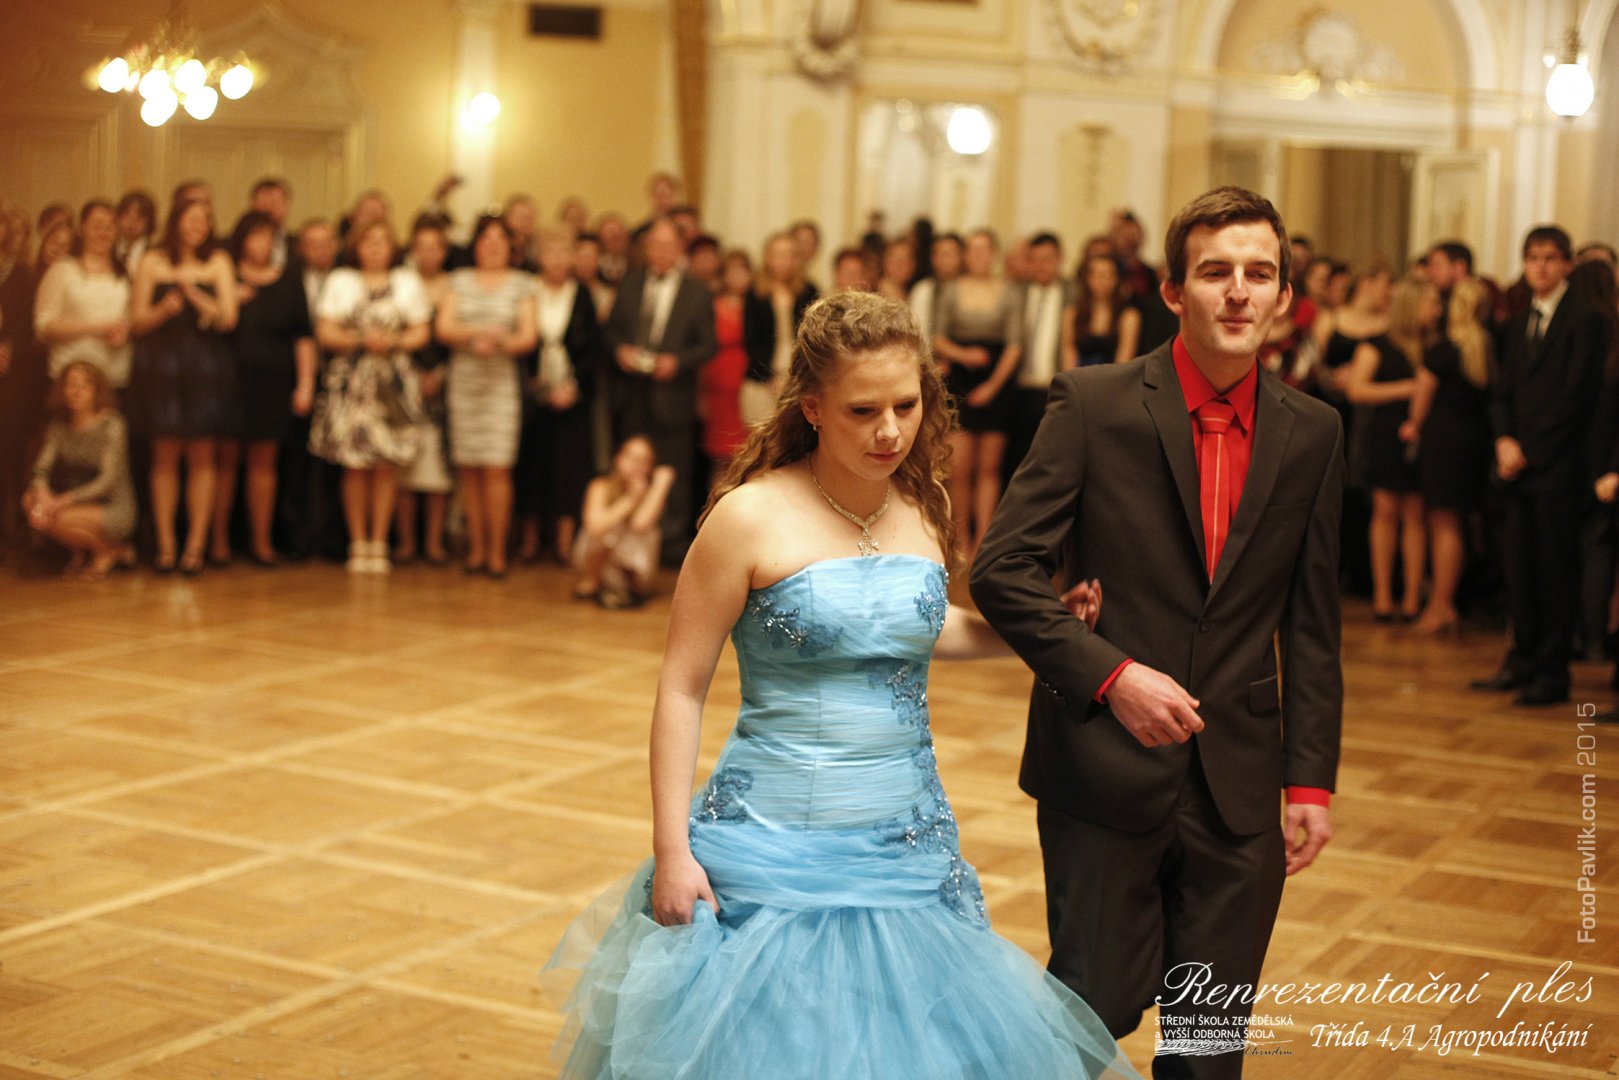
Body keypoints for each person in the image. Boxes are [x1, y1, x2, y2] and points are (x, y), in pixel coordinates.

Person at [545, 290, 1136, 1079]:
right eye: (863, 411)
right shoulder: (746, 518)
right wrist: (671, 849)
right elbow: (682, 687)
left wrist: (1042, 633)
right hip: (770, 845)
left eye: (905, 406)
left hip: (904, 838)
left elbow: (914, 631)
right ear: (814, 408)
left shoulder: (921, 508)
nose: (890, 431)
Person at [972, 186, 1344, 1080]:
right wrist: (1111, 676)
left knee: (1207, 1047)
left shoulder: (1313, 431)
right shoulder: (1093, 403)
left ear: (1284, 295)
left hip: (1238, 785)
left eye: (1259, 273)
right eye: (1215, 272)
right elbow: (1001, 568)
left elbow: (1312, 624)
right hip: (1102, 767)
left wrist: (1308, 781)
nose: (1238, 292)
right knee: (1088, 1012)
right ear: (1173, 291)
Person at [1474, 225, 1612, 706]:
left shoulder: (1584, 319)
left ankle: (1552, 672)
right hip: (1517, 465)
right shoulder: (1519, 321)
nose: (1541, 267)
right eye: (1533, 258)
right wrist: (1503, 440)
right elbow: (1503, 391)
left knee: (1553, 571)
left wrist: (1527, 449)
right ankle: (1522, 658)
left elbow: (1577, 398)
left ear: (1567, 264)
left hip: (1557, 467)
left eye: (1551, 258)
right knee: (1519, 569)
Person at [310, 220, 431, 574]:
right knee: (355, 462)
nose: (376, 248)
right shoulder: (341, 281)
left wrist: (392, 342)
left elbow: (421, 331)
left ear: (393, 247)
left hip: (392, 386)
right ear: (357, 247)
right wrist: (362, 340)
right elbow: (325, 331)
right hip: (352, 383)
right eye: (369, 241)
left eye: (383, 241)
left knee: (385, 463)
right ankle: (357, 541)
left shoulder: (407, 281)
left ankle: (379, 541)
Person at [127, 196, 239, 575]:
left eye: (205, 220)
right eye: (192, 219)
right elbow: (136, 321)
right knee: (164, 455)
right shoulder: (152, 260)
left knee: (202, 455)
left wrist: (196, 296)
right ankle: (166, 545)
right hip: (161, 367)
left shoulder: (218, 261)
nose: (198, 226)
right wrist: (164, 310)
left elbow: (229, 319)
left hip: (205, 367)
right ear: (175, 222)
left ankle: (195, 546)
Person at [603, 217, 716, 561]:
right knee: (631, 471)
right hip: (633, 395)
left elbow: (708, 344)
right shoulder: (630, 284)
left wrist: (677, 362)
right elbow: (611, 331)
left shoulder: (697, 291)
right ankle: (625, 542)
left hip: (674, 397)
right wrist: (620, 351)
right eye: (656, 244)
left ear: (680, 249)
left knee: (673, 474)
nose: (662, 251)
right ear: (647, 248)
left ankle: (670, 547)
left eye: (669, 245)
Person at [211, 210, 316, 567]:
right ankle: (218, 540)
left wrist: (305, 384)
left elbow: (303, 337)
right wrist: (227, 298)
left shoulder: (289, 280)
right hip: (228, 380)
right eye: (256, 236)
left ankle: (262, 541)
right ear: (242, 240)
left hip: (273, 381)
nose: (263, 244)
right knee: (226, 461)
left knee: (264, 462)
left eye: (269, 237)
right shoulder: (224, 276)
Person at [436, 215, 538, 578]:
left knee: (497, 467)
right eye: (485, 238)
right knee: (469, 468)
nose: (492, 245)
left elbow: (528, 336)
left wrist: (500, 341)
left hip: (501, 386)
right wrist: (475, 334)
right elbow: (444, 327)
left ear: (510, 246)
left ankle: (497, 553)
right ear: (475, 244)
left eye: (499, 239)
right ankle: (475, 550)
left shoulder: (523, 283)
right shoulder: (458, 280)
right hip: (465, 383)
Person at [1405, 278, 1493, 634]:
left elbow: (1421, 400)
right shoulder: (1486, 346)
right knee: (1455, 522)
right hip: (1474, 443)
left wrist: (1413, 424)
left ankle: (1441, 604)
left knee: (1443, 523)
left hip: (1443, 444)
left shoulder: (1443, 350)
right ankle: (1446, 602)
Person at [932, 228, 1023, 558]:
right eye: (973, 250)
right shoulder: (951, 289)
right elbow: (937, 337)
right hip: (959, 378)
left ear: (994, 254)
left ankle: (984, 538)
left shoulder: (1009, 291)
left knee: (989, 468)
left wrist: (992, 386)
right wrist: (963, 354)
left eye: (985, 250)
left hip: (997, 382)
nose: (979, 256)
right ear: (966, 255)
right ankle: (961, 539)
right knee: (960, 468)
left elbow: (1015, 344)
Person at [1345, 277, 1428, 621]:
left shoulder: (1430, 345)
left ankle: (1411, 598)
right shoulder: (1376, 345)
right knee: (1385, 512)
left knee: (1416, 515)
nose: (1435, 310)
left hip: (1422, 438)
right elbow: (1356, 390)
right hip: (1385, 435)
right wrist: (1406, 389)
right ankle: (1382, 596)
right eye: (1429, 303)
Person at [529, 227, 601, 564]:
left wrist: (572, 388)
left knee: (570, 468)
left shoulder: (582, 294)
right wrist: (537, 386)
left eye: (563, 253)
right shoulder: (529, 290)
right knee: (533, 464)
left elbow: (592, 350)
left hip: (574, 396)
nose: (557, 260)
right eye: (550, 252)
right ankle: (530, 539)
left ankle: (564, 541)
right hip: (534, 393)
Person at [23, 361, 135, 580]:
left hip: (111, 505)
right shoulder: (59, 425)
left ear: (97, 390)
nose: (76, 392)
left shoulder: (112, 424)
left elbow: (108, 481)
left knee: (57, 518)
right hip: (72, 502)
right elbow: (41, 468)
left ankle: (110, 550)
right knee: (31, 502)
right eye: (71, 385)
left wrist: (64, 501)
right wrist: (42, 493)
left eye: (84, 385)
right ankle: (84, 552)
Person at [394, 217, 454, 566]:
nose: (428, 254)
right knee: (405, 464)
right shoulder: (401, 284)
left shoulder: (454, 286)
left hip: (445, 384)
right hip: (404, 380)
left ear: (444, 251)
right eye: (422, 247)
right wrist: (414, 374)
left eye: (435, 247)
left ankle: (434, 542)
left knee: (438, 467)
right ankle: (405, 542)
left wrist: (440, 375)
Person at [33, 201, 132, 391]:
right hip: (71, 378)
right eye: (97, 226)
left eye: (109, 227)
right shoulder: (62, 270)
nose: (103, 233)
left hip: (114, 376)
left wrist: (125, 330)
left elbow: (131, 317)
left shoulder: (126, 273)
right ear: (82, 228)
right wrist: (96, 327)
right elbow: (43, 327)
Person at [569, 434, 675, 609]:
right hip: (599, 562)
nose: (636, 465)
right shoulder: (599, 485)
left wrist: (660, 486)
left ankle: (633, 589)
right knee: (607, 532)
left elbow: (640, 524)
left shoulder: (653, 493)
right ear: (618, 458)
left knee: (639, 533)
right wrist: (630, 499)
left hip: (633, 566)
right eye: (632, 457)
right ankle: (592, 582)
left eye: (644, 461)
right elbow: (594, 527)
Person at [1009, 231, 1076, 476]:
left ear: (1060, 259)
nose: (1041, 266)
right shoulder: (1017, 292)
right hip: (1021, 389)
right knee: (1017, 461)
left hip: (1055, 387)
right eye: (1035, 259)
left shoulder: (1073, 293)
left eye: (1047, 259)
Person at [703, 249, 754, 469]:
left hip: (747, 375)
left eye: (742, 271)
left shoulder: (757, 304)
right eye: (732, 271)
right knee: (722, 449)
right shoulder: (711, 304)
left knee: (748, 444)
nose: (737, 277)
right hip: (718, 375)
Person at [1073, 251, 1141, 366]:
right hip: (1077, 375)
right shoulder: (1073, 313)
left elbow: (1124, 362)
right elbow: (1069, 352)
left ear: (1116, 278)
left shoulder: (1129, 316)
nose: (1100, 280)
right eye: (1095, 274)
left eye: (1106, 275)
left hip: (1115, 375)